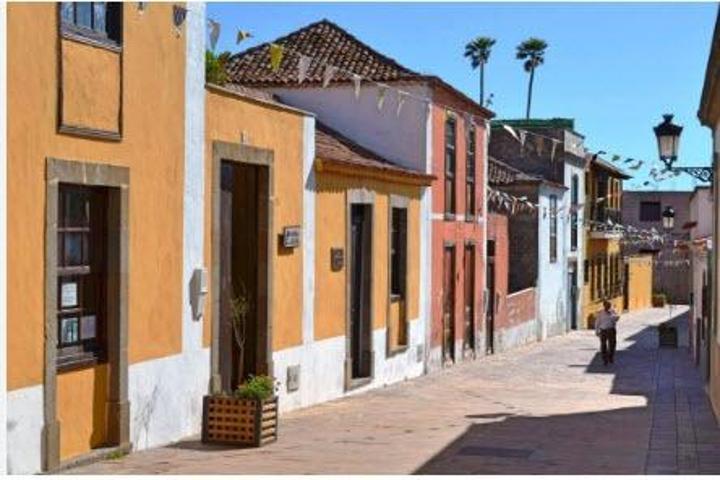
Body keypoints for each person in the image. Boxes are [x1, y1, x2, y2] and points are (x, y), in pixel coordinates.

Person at [595, 300, 619, 365]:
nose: (609, 307)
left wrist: (612, 315)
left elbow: (617, 318)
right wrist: (597, 331)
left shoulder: (613, 311)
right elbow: (597, 322)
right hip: (603, 330)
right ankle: (605, 359)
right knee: (603, 345)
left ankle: (610, 357)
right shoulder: (600, 312)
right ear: (604, 305)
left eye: (609, 305)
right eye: (607, 305)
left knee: (612, 344)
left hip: (611, 330)